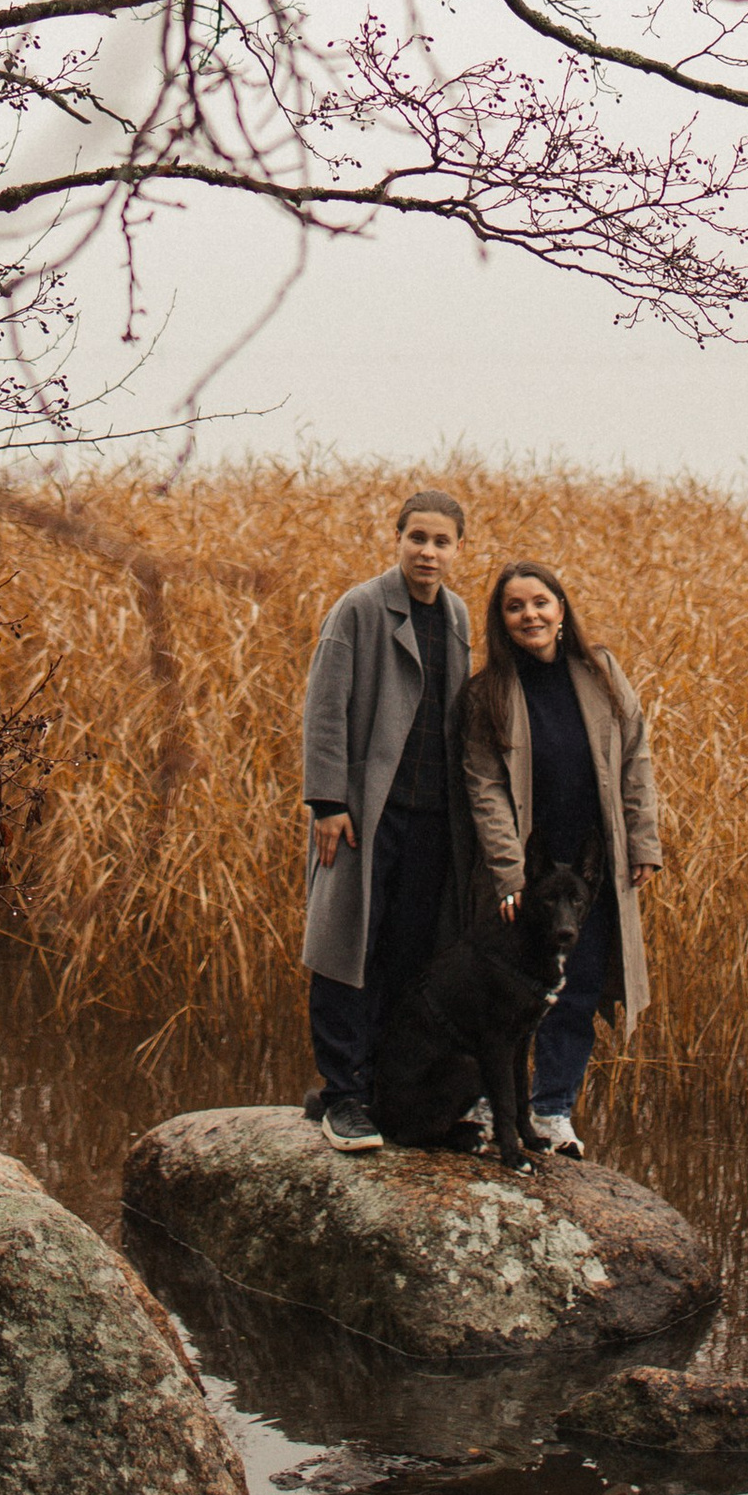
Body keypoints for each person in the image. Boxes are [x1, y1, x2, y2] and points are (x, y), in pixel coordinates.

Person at [461, 560, 659, 1156]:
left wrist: (643, 841)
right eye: (515, 607)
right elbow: (485, 786)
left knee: (580, 986)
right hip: (527, 869)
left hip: (595, 864)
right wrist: (508, 873)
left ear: (561, 608)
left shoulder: (600, 673)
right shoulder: (488, 692)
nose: (531, 616)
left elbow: (635, 759)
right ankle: (488, 1102)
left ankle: (551, 1111)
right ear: (502, 621)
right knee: (504, 985)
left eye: (541, 603)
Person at [302, 487, 477, 1152]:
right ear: (398, 539)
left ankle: (379, 1088)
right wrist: (327, 802)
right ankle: (342, 1095)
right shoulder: (360, 608)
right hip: (363, 817)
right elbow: (325, 709)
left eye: (442, 541)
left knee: (409, 957)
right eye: (418, 538)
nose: (428, 552)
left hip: (432, 818)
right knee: (347, 949)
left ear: (459, 549)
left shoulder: (457, 615)